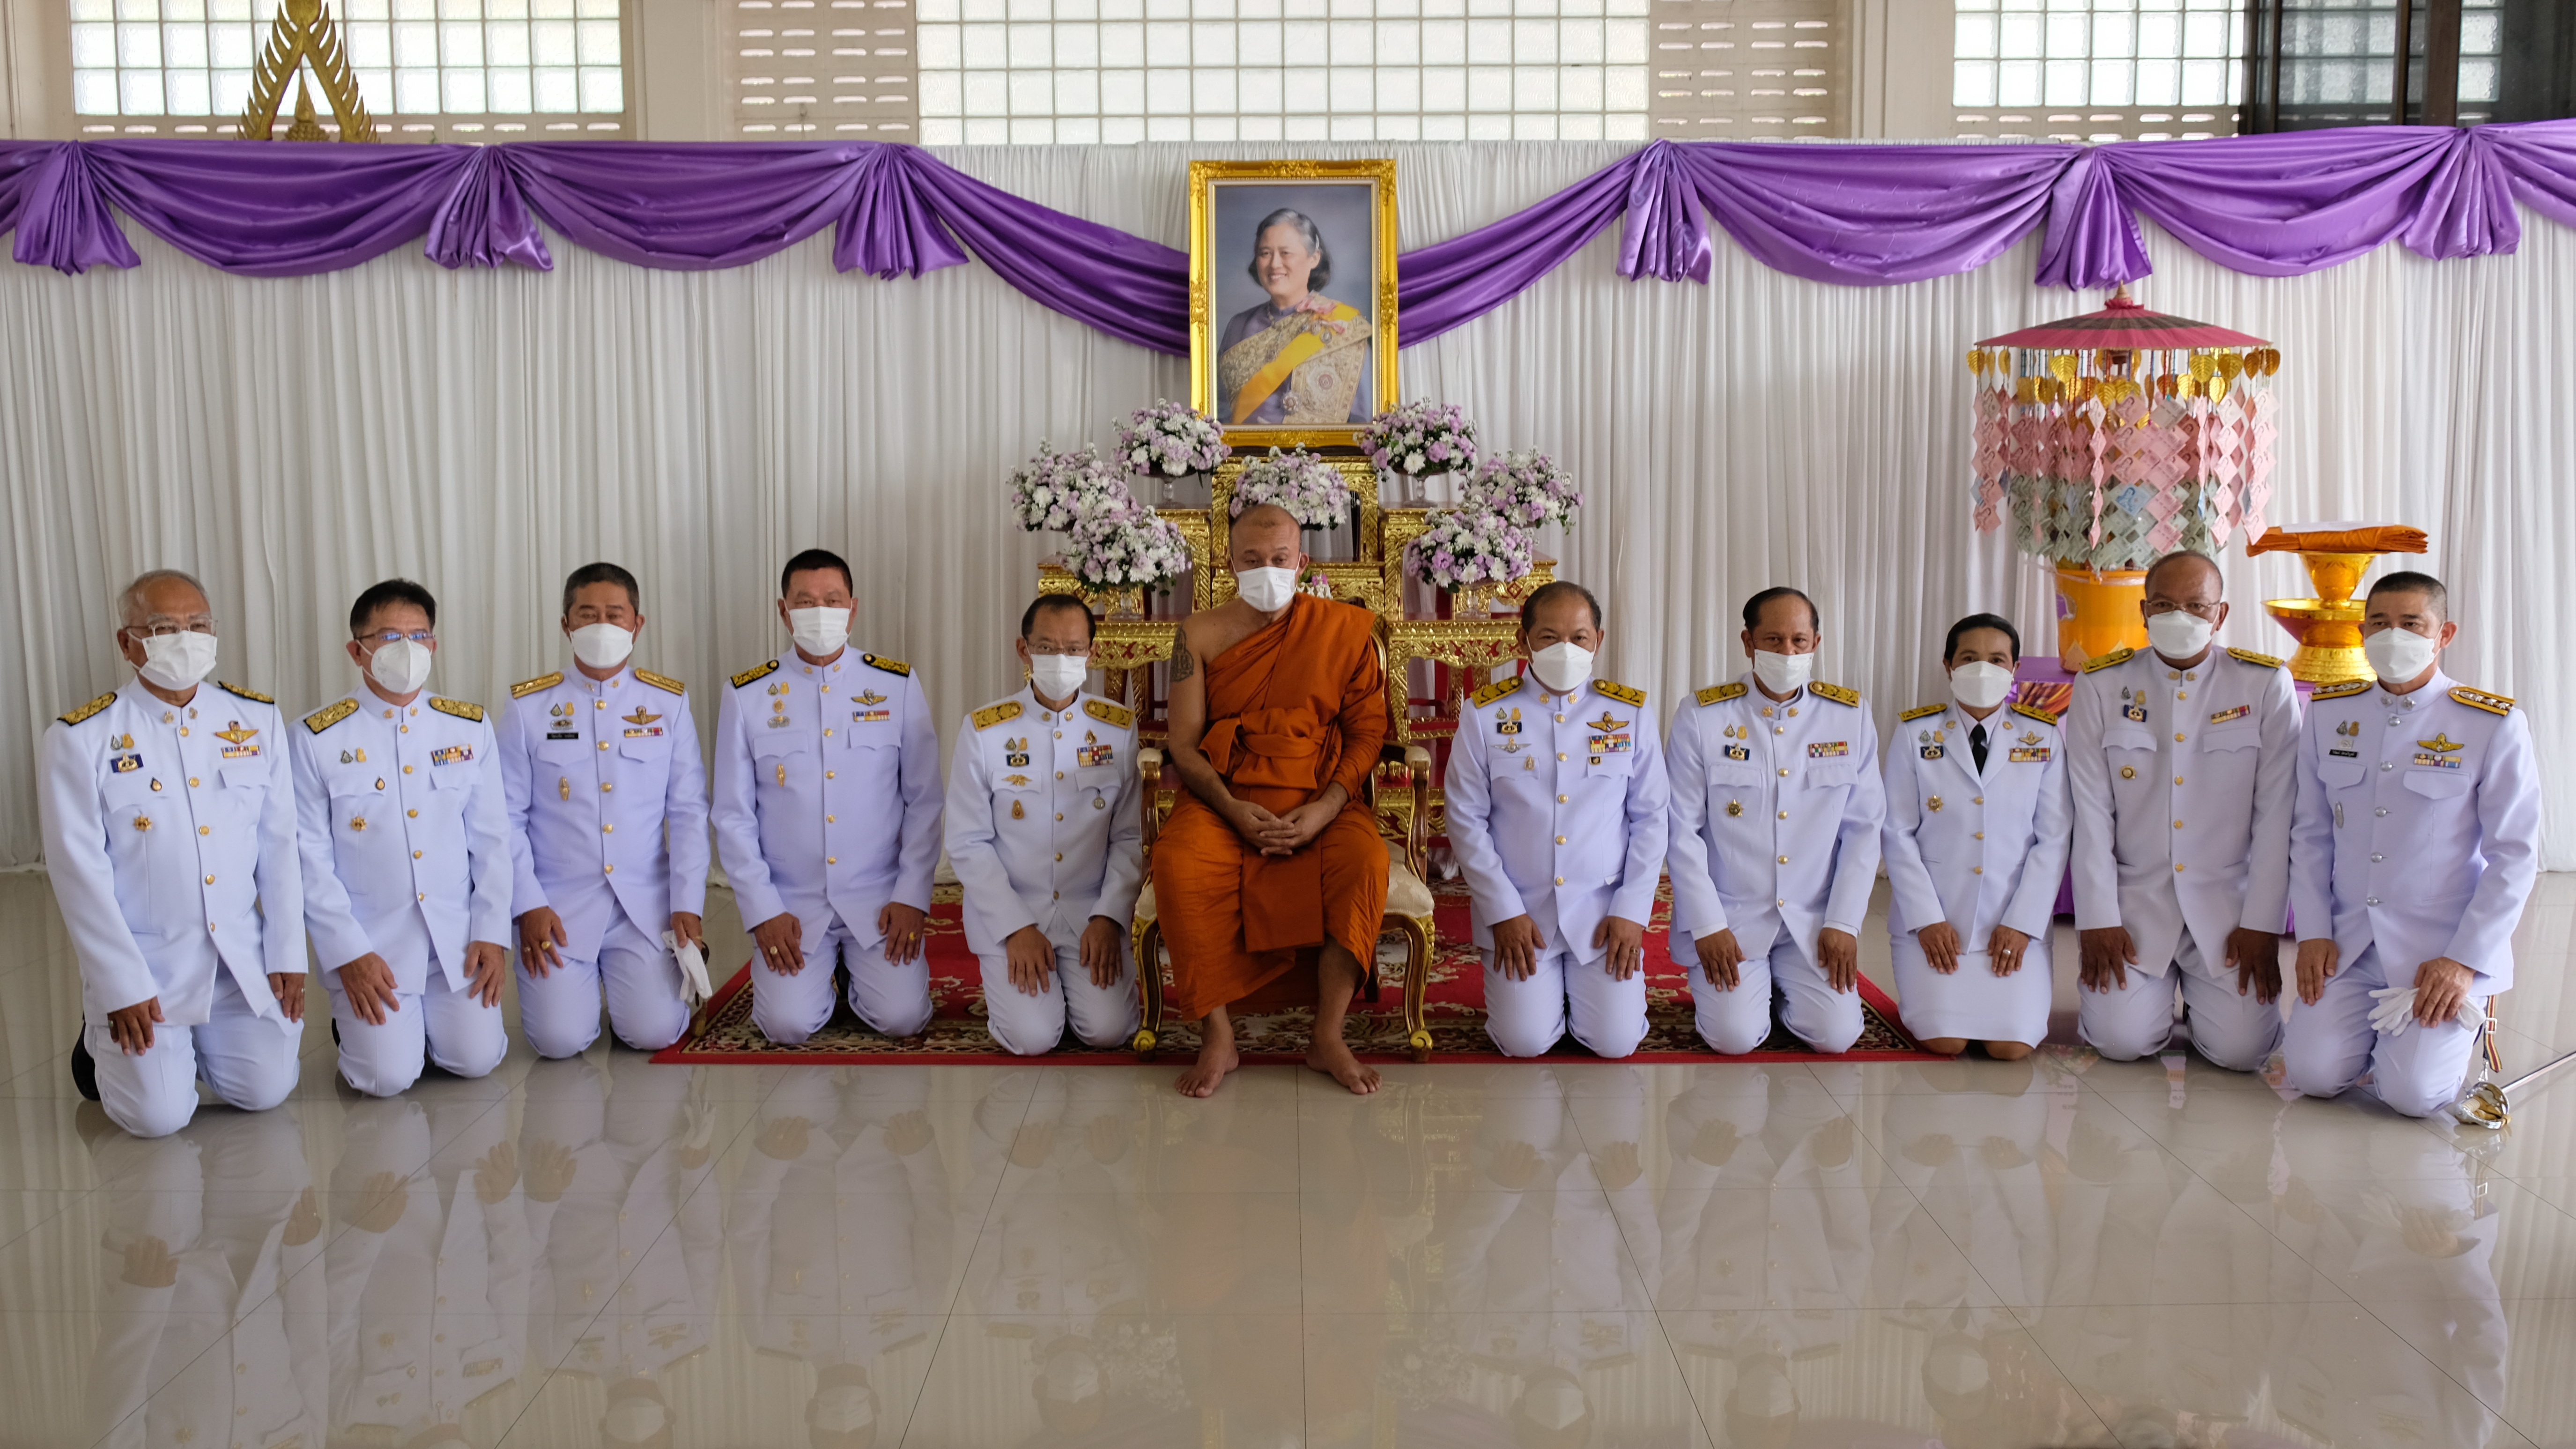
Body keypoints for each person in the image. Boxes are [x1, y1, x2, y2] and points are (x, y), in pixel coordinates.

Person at [38, 568, 305, 1137]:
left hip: (237, 960)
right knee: (157, 1119)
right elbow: (78, 872)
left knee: (266, 1091)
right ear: (127, 642)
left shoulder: (254, 720)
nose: (186, 639)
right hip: (147, 965)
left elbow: (280, 845)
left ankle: (192, 1048)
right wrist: (118, 984)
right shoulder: (83, 736)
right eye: (163, 627)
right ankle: (99, 1051)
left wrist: (286, 950)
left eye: (198, 624)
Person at [1153, 503, 1390, 1097]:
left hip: (1319, 793)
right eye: (1252, 560)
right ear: (1229, 562)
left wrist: (1329, 806)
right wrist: (1231, 809)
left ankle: (1328, 1034)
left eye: (1279, 559)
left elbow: (1367, 734)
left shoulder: (1345, 628)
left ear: (1301, 562)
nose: (1267, 569)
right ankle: (1218, 1036)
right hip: (1223, 796)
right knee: (1179, 863)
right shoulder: (1197, 634)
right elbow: (1182, 744)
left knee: (1364, 862)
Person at [2282, 571, 2539, 1117]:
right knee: (2311, 1074)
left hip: (2437, 952)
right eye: (2379, 622)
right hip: (2349, 946)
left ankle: (2453, 1026)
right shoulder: (2329, 713)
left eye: (2410, 623)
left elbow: (2514, 854)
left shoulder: (2488, 722)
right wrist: (2312, 933)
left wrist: (2465, 961)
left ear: (2442, 633)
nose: (2392, 635)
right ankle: (2378, 1042)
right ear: (2361, 630)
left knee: (2414, 1096)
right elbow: (2309, 833)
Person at [2064, 549, 2295, 1071]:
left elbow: (2278, 815)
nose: (2179, 618)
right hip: (2135, 905)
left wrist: (2263, 923)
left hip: (2228, 911)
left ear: (2221, 613)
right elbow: (2090, 812)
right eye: (2164, 605)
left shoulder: (2261, 684)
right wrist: (2097, 918)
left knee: (2243, 1052)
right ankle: (2150, 997)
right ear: (2143, 612)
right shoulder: (2100, 685)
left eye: (2196, 606)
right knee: (2120, 1042)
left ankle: (2202, 997)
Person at [711, 547, 943, 1045]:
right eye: (805, 601)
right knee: (786, 1026)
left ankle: (854, 978)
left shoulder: (895, 684)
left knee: (902, 1018)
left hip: (877, 898)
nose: (820, 612)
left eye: (832, 600)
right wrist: (762, 909)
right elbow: (732, 815)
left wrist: (911, 896)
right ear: (783, 611)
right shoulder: (748, 694)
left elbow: (924, 800)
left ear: (853, 609)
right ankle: (823, 979)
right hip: (791, 903)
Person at [293, 578, 513, 1095]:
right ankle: (367, 1028)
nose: (407, 649)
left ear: (434, 645)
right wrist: (347, 953)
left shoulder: (468, 727)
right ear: (358, 650)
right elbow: (307, 857)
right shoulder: (314, 738)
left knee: (477, 1060)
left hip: (456, 939)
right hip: (375, 943)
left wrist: (491, 932)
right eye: (390, 636)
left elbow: (493, 841)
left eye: (419, 636)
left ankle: (419, 1033)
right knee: (383, 1080)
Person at [1444, 580, 1669, 1059]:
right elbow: (1465, 817)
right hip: (1521, 914)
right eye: (1549, 637)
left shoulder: (1627, 712)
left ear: (1598, 641)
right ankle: (1545, 1002)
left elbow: (1651, 816)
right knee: (1522, 1043)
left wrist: (1631, 909)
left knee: (1616, 1043)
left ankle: (1584, 1001)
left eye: (1579, 637)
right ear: (1523, 643)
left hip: (1601, 914)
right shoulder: (1486, 713)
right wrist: (1502, 910)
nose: (1565, 649)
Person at [498, 562, 712, 1058]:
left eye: (615, 615)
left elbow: (686, 812)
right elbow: (505, 818)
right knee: (558, 1041)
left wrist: (688, 905)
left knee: (654, 1034)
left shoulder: (667, 704)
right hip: (557, 908)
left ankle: (641, 989)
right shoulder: (528, 708)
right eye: (587, 614)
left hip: (643, 906)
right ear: (566, 624)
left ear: (638, 624)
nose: (602, 626)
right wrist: (528, 904)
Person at [1666, 586, 1885, 1055]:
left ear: (1815, 643)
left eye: (1798, 641)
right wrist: (1707, 924)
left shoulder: (1848, 716)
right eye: (1773, 640)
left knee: (1836, 1036)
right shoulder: (1702, 716)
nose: (1787, 652)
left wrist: (1844, 921)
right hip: (1732, 918)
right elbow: (1680, 830)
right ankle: (1751, 994)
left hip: (1812, 920)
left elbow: (1863, 829)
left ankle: (1778, 993)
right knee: (1734, 1038)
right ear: (1747, 643)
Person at [945, 595, 1145, 1056]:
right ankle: (1023, 997)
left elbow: (1129, 837)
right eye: (1048, 647)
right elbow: (967, 841)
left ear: (1092, 654)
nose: (1062, 659)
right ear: (1023, 650)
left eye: (1074, 648)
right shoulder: (985, 730)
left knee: (1108, 1032)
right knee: (1032, 1038)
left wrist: (1109, 916)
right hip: (1014, 912)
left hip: (1088, 911)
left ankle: (1074, 991)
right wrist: (1015, 927)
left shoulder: (1116, 729)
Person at [1881, 613, 2071, 1059]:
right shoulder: (1914, 734)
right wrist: (1927, 919)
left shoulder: (2042, 737)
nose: (1982, 669)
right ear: (1948, 665)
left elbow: (2055, 839)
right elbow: (1896, 832)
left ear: (2014, 669)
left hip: (2010, 926)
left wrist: (2023, 924)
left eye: (1996, 659)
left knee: (2012, 1047)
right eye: (1969, 658)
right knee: (1946, 1042)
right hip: (1934, 924)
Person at [1215, 207, 1371, 426]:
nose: (1275, 264)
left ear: (1314, 258)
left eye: (1285, 253)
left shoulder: (1344, 325)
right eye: (1265, 253)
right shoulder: (1238, 326)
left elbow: (1364, 421)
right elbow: (1218, 414)